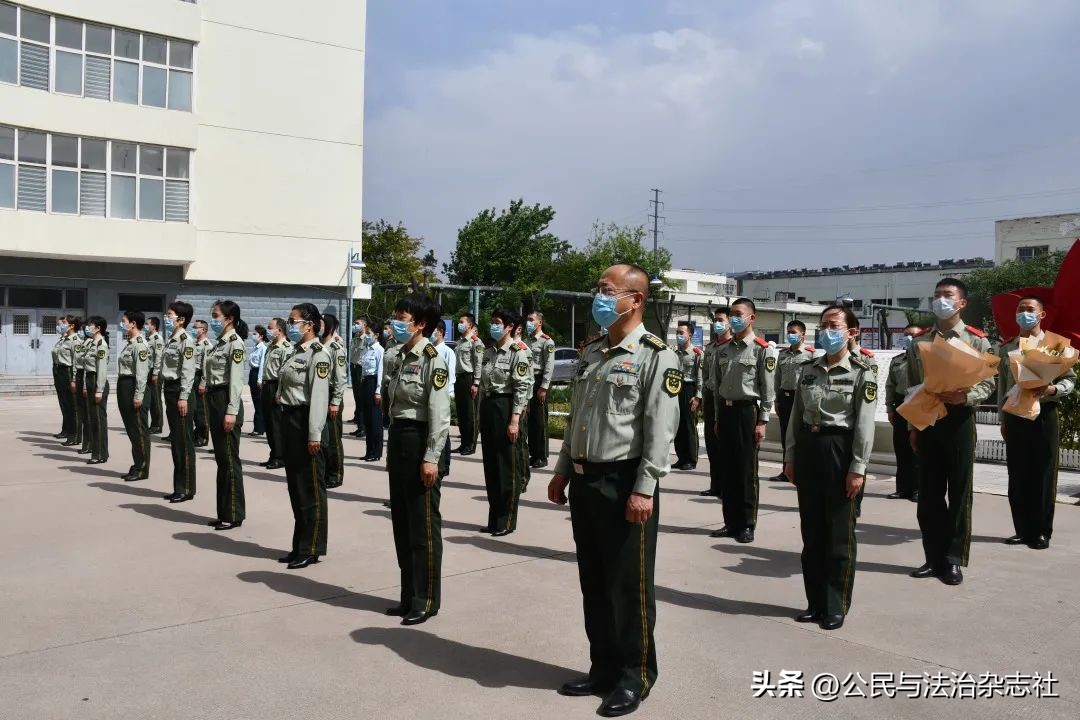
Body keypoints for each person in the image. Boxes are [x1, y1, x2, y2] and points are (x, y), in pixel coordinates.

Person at [547, 264, 679, 718]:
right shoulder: (592, 353)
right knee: (595, 582)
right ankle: (602, 667)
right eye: (598, 291)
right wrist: (563, 470)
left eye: (606, 291)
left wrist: (645, 489)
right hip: (586, 481)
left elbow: (659, 432)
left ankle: (634, 676)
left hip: (625, 484)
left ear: (635, 300)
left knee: (629, 586)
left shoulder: (656, 357)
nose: (598, 298)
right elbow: (576, 421)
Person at [783, 305, 878, 631]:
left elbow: (865, 424)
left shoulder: (863, 371)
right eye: (823, 325)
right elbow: (795, 416)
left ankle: (835, 605)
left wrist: (858, 467)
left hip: (840, 451)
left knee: (839, 535)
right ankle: (815, 602)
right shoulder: (808, 369)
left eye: (834, 326)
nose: (827, 331)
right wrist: (790, 457)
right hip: (809, 449)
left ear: (852, 333)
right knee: (812, 533)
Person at [907, 278, 995, 586]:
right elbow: (913, 388)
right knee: (928, 495)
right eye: (936, 295)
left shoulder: (977, 341)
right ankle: (933, 557)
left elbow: (988, 384)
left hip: (959, 420)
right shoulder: (919, 342)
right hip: (929, 420)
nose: (940, 300)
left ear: (962, 303)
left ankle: (954, 559)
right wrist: (913, 426)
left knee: (958, 494)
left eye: (947, 295)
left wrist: (965, 396)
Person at [383, 294, 451, 625]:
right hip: (399, 438)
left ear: (420, 324)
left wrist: (432, 457)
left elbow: (440, 413)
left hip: (420, 439)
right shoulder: (397, 356)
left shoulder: (431, 358)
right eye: (395, 316)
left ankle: (426, 598)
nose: (396, 322)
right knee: (402, 523)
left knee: (422, 525)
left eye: (402, 317)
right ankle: (407, 594)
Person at [998, 296, 1075, 550]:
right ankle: (1022, 529)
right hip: (1016, 414)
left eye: (1030, 310)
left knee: (1043, 473)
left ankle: (1042, 531)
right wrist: (1002, 418)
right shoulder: (1008, 346)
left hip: (1044, 413)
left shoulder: (1055, 345)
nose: (1024, 314)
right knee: (1017, 473)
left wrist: (1053, 389)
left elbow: (1071, 381)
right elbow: (1002, 388)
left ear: (1042, 315)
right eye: (1021, 309)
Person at [710, 298, 777, 544]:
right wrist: (717, 418)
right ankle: (730, 522)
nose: (734, 318)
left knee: (746, 471)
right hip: (726, 413)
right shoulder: (723, 349)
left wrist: (763, 421)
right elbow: (717, 388)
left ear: (752, 318)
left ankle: (747, 524)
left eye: (739, 313)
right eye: (732, 314)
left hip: (747, 413)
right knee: (728, 470)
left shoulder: (761, 349)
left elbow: (767, 390)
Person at [276, 303, 332, 569]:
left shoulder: (318, 355)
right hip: (290, 420)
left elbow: (319, 399)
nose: (290, 324)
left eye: (294, 320)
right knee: (296, 487)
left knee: (310, 488)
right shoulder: (294, 352)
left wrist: (314, 435)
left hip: (306, 422)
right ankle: (299, 544)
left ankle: (311, 547)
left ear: (309, 324)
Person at [478, 308, 532, 536]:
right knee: (491, 466)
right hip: (489, 407)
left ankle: (506, 520)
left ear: (510, 326)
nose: (494, 326)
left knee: (506, 466)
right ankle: (494, 518)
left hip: (506, 406)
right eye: (492, 322)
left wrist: (515, 420)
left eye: (498, 322)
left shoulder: (518, 352)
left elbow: (522, 387)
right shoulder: (489, 352)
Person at [200, 300, 248, 531]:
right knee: (222, 460)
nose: (213, 319)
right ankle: (224, 511)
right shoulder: (219, 343)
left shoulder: (234, 344)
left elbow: (237, 381)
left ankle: (234, 513)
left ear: (229, 319)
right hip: (214, 398)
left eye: (216, 315)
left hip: (225, 400)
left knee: (229, 461)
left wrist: (231, 411)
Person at [772, 320, 815, 483]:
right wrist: (776, 398)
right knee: (786, 435)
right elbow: (777, 378)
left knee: (802, 435)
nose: (790, 335)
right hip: (784, 397)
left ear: (802, 335)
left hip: (801, 398)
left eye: (794, 332)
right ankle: (785, 470)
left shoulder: (810, 354)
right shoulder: (782, 354)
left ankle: (803, 470)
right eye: (789, 331)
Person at [885, 323, 924, 502]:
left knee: (917, 449)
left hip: (919, 404)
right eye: (906, 334)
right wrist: (890, 408)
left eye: (913, 335)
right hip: (901, 404)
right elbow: (890, 386)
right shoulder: (897, 360)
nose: (909, 338)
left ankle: (918, 489)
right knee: (901, 448)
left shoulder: (924, 359)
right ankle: (902, 488)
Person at [116, 311, 152, 482]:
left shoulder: (140, 344)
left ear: (133, 323)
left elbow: (142, 373)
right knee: (132, 430)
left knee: (139, 431)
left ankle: (142, 468)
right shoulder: (130, 343)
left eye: (124, 321)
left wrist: (138, 395)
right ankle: (137, 464)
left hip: (133, 387)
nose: (121, 324)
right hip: (125, 385)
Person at [700, 309, 731, 496]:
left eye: (721, 320)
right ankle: (715, 484)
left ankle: (726, 487)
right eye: (715, 320)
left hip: (725, 399)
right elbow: (704, 375)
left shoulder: (731, 347)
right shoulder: (710, 347)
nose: (717, 323)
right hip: (710, 397)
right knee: (711, 444)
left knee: (724, 446)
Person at [258, 318, 291, 470]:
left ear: (279, 330)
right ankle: (273, 454)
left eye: (270, 327)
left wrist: (280, 392)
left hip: (276, 386)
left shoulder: (286, 347)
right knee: (269, 424)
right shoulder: (271, 346)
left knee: (276, 424)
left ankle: (280, 457)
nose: (268, 330)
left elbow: (285, 374)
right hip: (266, 386)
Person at [524, 311, 555, 469]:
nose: (528, 322)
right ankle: (533, 454)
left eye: (531, 320)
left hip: (538, 381)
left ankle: (542, 456)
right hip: (527, 381)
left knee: (539, 420)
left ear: (539, 323)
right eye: (527, 319)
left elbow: (549, 366)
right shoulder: (526, 341)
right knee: (529, 420)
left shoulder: (546, 342)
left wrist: (543, 387)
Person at [320, 314, 348, 488]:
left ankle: (335, 474)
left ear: (329, 326)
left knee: (333, 438)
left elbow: (340, 377)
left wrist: (335, 401)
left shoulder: (335, 348)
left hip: (331, 394)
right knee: (322, 437)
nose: (319, 327)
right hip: (320, 394)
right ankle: (324, 471)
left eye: (322, 324)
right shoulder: (319, 346)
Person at [452, 314, 485, 455]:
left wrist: (476, 383)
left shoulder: (475, 342)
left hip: (469, 379)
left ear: (470, 325)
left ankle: (470, 445)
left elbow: (478, 364)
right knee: (461, 413)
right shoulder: (460, 342)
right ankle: (463, 443)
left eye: (461, 322)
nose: (459, 324)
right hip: (459, 379)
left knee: (470, 413)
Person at [673, 320, 703, 471]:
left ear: (690, 335)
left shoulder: (697, 354)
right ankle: (681, 457)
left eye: (681, 333)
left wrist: (697, 396)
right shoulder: (674, 352)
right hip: (675, 389)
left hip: (689, 389)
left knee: (689, 425)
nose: (678, 335)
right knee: (677, 425)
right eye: (677, 332)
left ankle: (691, 459)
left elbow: (700, 377)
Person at [83, 316, 110, 465]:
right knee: (93, 419)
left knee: (99, 420)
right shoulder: (92, 343)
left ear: (98, 328)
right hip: (90, 380)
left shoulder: (101, 344)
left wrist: (99, 389)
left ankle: (100, 453)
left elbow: (102, 369)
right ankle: (97, 451)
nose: (88, 328)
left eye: (90, 325)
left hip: (97, 381)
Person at [51, 315, 80, 444]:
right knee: (63, 403)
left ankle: (74, 435)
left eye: (63, 322)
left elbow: (76, 362)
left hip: (67, 372)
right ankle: (66, 429)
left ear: (72, 325)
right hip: (59, 371)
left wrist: (74, 379)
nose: (60, 325)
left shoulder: (75, 341)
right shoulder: (63, 340)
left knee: (71, 405)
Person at [432, 324, 456, 476]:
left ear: (440, 332)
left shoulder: (447, 352)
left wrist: (449, 395)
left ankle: (445, 463)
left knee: (443, 431)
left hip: (444, 394)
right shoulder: (429, 349)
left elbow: (451, 375)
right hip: (432, 395)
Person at [359, 324, 385, 461]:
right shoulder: (367, 349)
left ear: (376, 335)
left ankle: (376, 452)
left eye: (369, 333)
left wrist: (378, 391)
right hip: (366, 382)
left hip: (374, 383)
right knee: (367, 420)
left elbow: (381, 371)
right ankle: (369, 451)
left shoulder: (379, 350)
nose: (367, 335)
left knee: (375, 420)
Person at [190, 320, 212, 448]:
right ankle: (196, 433)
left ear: (203, 330)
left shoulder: (206, 345)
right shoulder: (194, 343)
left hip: (199, 377)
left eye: (195, 327)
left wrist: (203, 383)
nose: (193, 329)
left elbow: (206, 367)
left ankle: (203, 437)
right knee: (193, 409)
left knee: (201, 410)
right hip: (192, 377)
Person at [75, 320, 94, 455]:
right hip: (80, 375)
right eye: (81, 329)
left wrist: (86, 385)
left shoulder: (91, 344)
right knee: (83, 413)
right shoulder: (83, 343)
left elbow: (88, 365)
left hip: (87, 377)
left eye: (85, 329)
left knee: (88, 415)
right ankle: (86, 443)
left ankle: (90, 444)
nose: (82, 332)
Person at [145, 317, 165, 434]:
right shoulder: (149, 339)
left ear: (154, 326)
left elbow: (158, 357)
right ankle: (154, 423)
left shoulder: (157, 339)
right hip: (149, 370)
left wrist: (155, 372)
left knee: (156, 399)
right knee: (151, 399)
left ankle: (158, 425)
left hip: (155, 372)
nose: (146, 326)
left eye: (148, 324)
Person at [247, 325, 268, 437]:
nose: (253, 335)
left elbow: (262, 366)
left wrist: (260, 380)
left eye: (255, 334)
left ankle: (259, 428)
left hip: (257, 374)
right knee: (256, 401)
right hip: (252, 374)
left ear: (261, 336)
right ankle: (258, 427)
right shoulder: (255, 347)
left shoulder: (263, 348)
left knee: (258, 402)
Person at [348, 318, 368, 433]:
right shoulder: (354, 339)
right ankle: (358, 423)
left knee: (362, 398)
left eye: (357, 323)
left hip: (361, 369)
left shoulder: (366, 339)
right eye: (354, 323)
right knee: (356, 396)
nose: (355, 325)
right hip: (354, 368)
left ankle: (363, 426)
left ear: (364, 325)